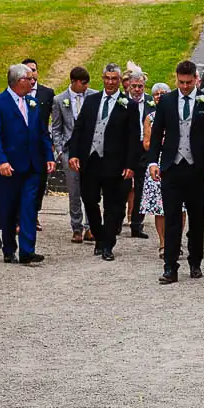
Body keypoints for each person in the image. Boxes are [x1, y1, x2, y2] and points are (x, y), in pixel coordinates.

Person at [148, 60, 204, 282]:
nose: (185, 86)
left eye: (189, 83)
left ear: (196, 79)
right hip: (171, 167)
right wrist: (153, 161)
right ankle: (170, 266)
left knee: (197, 218)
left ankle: (195, 262)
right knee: (171, 217)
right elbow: (156, 133)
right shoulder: (167, 101)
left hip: (197, 168)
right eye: (181, 82)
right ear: (176, 78)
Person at [68, 64, 138, 261]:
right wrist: (74, 153)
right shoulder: (91, 101)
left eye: (114, 79)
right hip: (90, 160)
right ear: (102, 78)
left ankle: (107, 244)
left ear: (120, 81)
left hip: (115, 163)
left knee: (113, 205)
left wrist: (130, 165)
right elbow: (79, 129)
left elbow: (134, 137)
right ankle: (98, 234)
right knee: (89, 199)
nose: (110, 82)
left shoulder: (128, 105)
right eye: (107, 78)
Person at [0, 63, 54, 265]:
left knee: (29, 207)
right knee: (8, 208)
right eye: (29, 79)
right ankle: (9, 247)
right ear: (18, 82)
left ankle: (27, 250)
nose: (33, 81)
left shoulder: (32, 102)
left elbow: (42, 132)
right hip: (10, 166)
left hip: (33, 165)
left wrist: (49, 156)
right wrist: (1, 161)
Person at [50, 67, 91, 244]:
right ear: (74, 82)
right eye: (83, 83)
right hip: (68, 150)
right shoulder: (59, 100)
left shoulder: (93, 96)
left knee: (91, 190)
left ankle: (91, 226)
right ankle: (77, 227)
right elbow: (56, 128)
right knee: (74, 191)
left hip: (89, 150)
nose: (86, 87)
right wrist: (59, 151)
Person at [140, 83, 171, 259]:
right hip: (156, 161)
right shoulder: (150, 117)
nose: (159, 96)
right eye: (156, 94)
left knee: (179, 206)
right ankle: (163, 242)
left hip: (174, 159)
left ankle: (176, 241)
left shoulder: (176, 115)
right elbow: (146, 143)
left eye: (163, 93)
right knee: (159, 207)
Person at [23, 58, 55, 228]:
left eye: (34, 70)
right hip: (22, 143)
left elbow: (53, 118)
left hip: (40, 143)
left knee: (40, 181)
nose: (32, 73)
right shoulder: (18, 93)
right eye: (28, 70)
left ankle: (34, 213)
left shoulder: (47, 93)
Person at [124, 68, 154, 239]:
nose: (137, 90)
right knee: (123, 187)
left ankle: (137, 224)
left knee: (142, 188)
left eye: (140, 86)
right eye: (134, 86)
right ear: (128, 85)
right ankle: (117, 220)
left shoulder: (151, 102)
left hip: (144, 148)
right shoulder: (122, 102)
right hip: (126, 149)